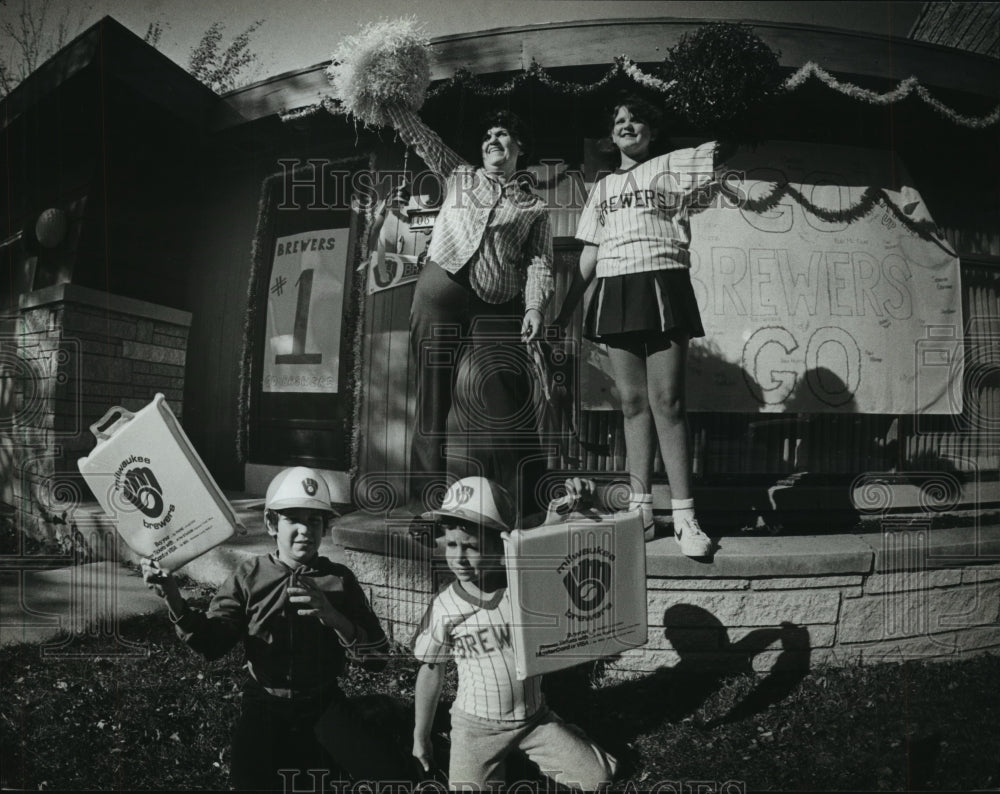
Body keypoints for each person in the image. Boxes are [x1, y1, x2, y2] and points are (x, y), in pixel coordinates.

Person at [141, 466, 410, 789]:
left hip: (323, 702)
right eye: (293, 519)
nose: (305, 531)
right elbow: (211, 642)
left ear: (324, 527)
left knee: (391, 779)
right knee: (250, 783)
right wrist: (173, 596)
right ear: (271, 524)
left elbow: (377, 657)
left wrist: (333, 616)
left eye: (314, 521)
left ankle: (379, 716)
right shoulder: (249, 576)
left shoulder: (339, 579)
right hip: (266, 704)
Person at [557, 95, 735, 558]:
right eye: (618, 119)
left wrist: (727, 95)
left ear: (652, 131)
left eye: (636, 119)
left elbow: (731, 144)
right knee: (633, 403)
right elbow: (589, 257)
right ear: (609, 135)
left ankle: (684, 515)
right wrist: (562, 313)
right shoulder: (600, 188)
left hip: (662, 280)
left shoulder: (674, 165)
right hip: (616, 288)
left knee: (668, 401)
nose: (626, 124)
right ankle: (640, 511)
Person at [386, 106, 555, 522]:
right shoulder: (460, 175)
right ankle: (426, 506)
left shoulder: (533, 207)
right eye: (486, 136)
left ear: (520, 147)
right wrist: (392, 103)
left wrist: (534, 306)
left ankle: (528, 508)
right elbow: (422, 137)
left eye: (502, 134)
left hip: (497, 300)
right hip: (439, 288)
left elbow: (540, 262)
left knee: (508, 399)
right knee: (431, 399)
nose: (492, 141)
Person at [410, 476, 617, 791]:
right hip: (475, 729)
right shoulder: (445, 606)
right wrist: (420, 736)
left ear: (500, 545)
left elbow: (555, 544)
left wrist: (581, 504)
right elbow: (430, 670)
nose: (459, 558)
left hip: (534, 719)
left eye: (472, 546)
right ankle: (505, 762)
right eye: (452, 544)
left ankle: (547, 744)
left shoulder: (523, 583)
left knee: (598, 779)